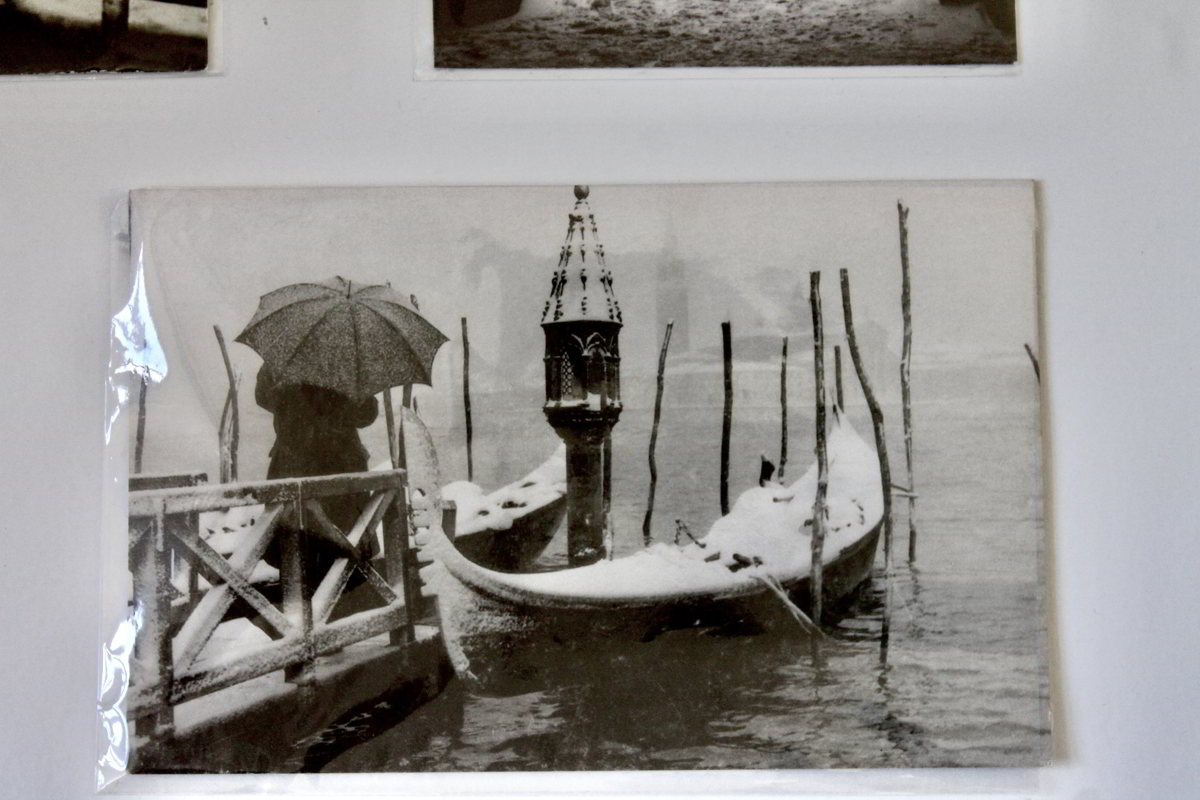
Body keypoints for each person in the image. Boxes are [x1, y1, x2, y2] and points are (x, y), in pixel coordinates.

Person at [255, 364, 379, 596]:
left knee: (341, 555)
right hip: (303, 467)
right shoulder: (283, 360)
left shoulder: (338, 363)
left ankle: (333, 611)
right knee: (300, 556)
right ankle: (311, 615)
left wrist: (357, 386)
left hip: (337, 471)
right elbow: (264, 397)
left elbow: (365, 414)